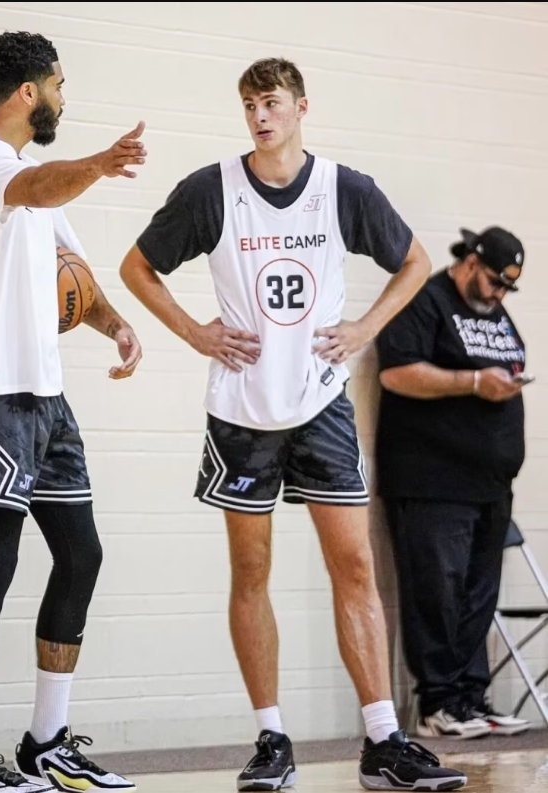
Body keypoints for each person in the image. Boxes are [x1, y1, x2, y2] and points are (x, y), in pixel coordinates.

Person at [120, 57, 467, 792]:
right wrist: (194, 332)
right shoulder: (211, 189)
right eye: (249, 105)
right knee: (251, 571)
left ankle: (384, 740)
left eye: (271, 102)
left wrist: (365, 328)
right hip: (242, 410)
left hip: (321, 403)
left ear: (302, 107)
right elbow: (136, 268)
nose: (260, 116)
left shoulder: (344, 189)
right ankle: (272, 738)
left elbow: (414, 262)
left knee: (354, 566)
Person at [0, 31, 146, 793]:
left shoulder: (32, 177)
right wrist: (100, 163)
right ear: (29, 91)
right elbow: (40, 189)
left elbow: (72, 275)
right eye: (58, 84)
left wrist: (115, 323)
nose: (63, 96)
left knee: (81, 555)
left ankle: (46, 743)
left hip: (46, 397)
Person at [375, 226, 531, 740]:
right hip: (431, 480)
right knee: (436, 592)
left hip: (490, 482)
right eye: (494, 281)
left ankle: (470, 698)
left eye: (507, 287)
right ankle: (438, 703)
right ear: (470, 262)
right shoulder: (426, 300)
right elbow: (396, 373)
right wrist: (473, 382)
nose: (499, 293)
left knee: (478, 595)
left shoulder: (493, 312)